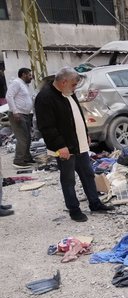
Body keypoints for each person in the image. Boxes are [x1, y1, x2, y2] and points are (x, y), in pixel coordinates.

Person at [34, 66, 114, 222]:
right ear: (64, 82)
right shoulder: (45, 97)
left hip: (79, 143)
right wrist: (59, 146)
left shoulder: (69, 92)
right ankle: (74, 209)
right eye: (73, 84)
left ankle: (95, 203)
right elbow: (46, 127)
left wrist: (85, 134)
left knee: (88, 174)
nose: (75, 87)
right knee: (68, 179)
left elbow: (76, 115)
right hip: (64, 148)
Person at [6, 67, 35, 167]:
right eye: (30, 75)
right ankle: (18, 160)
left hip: (26, 114)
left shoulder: (25, 85)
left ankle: (26, 157)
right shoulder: (16, 83)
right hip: (18, 114)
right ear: (23, 74)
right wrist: (15, 112)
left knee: (28, 137)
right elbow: (9, 96)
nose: (31, 77)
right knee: (22, 138)